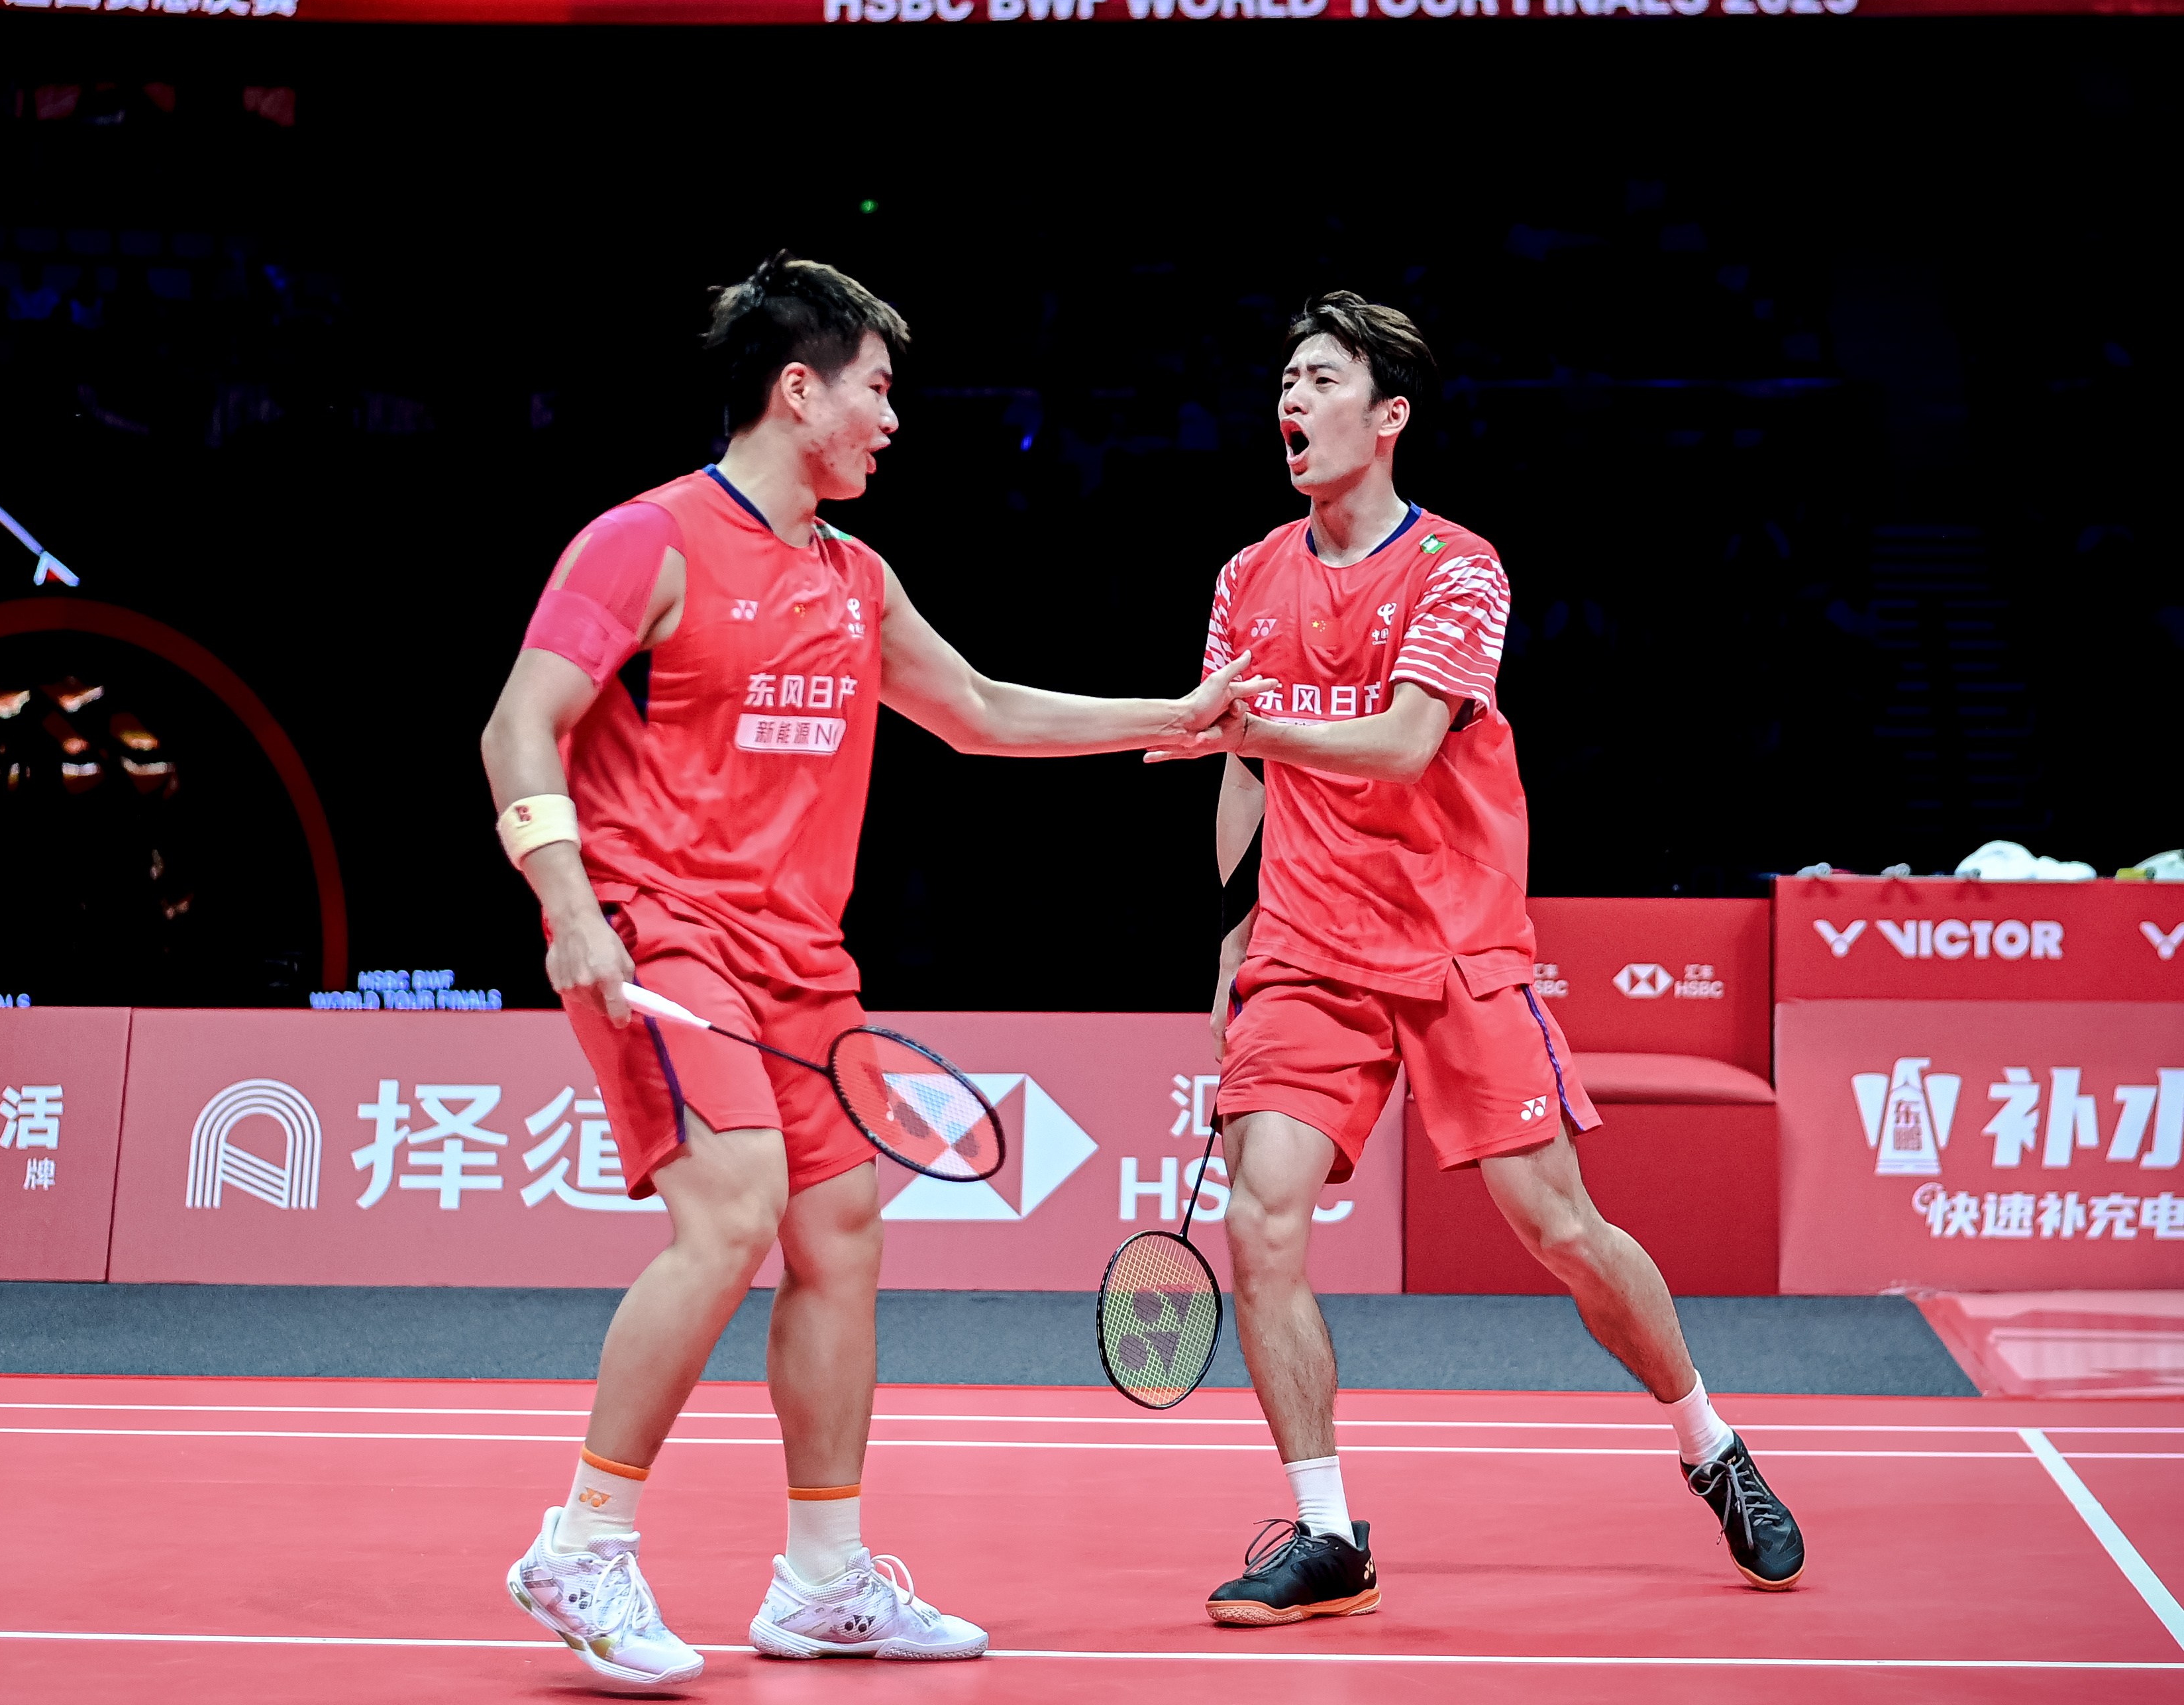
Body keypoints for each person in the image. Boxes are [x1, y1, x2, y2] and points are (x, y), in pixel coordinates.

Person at [480, 252, 1257, 1687]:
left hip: (802, 964)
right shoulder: (644, 541)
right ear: (799, 390)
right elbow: (519, 726)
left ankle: (823, 1578)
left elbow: (977, 710)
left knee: (842, 1237)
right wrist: (569, 905)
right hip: (661, 932)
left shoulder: (856, 578)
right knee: (734, 1211)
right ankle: (580, 1543)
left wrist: (1178, 717)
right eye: (878, 390)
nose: (894, 421)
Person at [1145, 291, 1806, 1626]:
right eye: (1285, 379)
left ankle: (1708, 1442)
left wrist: (1252, 729)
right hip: (1308, 947)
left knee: (1560, 1230)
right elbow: (1240, 780)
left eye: (1321, 378)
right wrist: (1231, 935)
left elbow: (1401, 744)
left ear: (1388, 415)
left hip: (1453, 940)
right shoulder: (1245, 579)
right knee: (1261, 1219)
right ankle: (1325, 1534)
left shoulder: (1459, 568)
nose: (1292, 399)